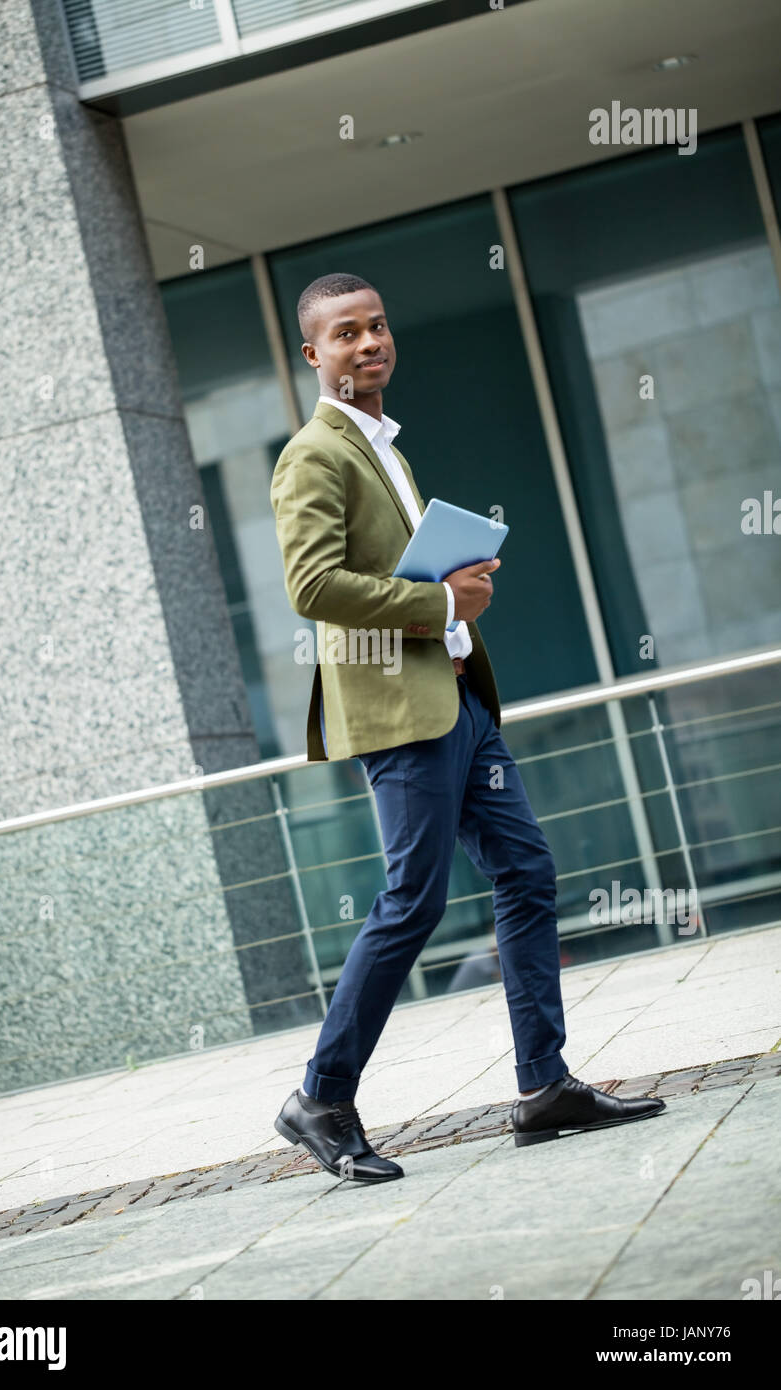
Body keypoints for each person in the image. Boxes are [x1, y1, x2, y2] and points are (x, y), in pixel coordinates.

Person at [269, 272, 664, 1183]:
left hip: (459, 702)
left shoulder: (387, 452)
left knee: (526, 872)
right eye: (345, 335)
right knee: (412, 900)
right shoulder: (313, 455)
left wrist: (454, 599)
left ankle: (542, 1086)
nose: (368, 344)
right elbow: (312, 586)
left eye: (376, 327)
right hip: (400, 714)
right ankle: (321, 1097)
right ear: (314, 354)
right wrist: (438, 596)